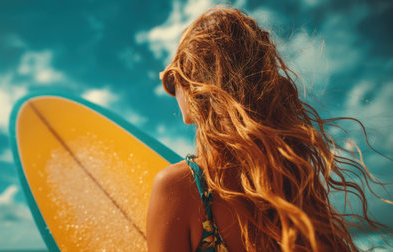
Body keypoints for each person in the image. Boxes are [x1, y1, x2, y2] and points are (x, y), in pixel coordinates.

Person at [146, 6, 392, 252]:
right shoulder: (293, 185)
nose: (173, 89)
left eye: (171, 79)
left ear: (193, 81)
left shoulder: (179, 188)